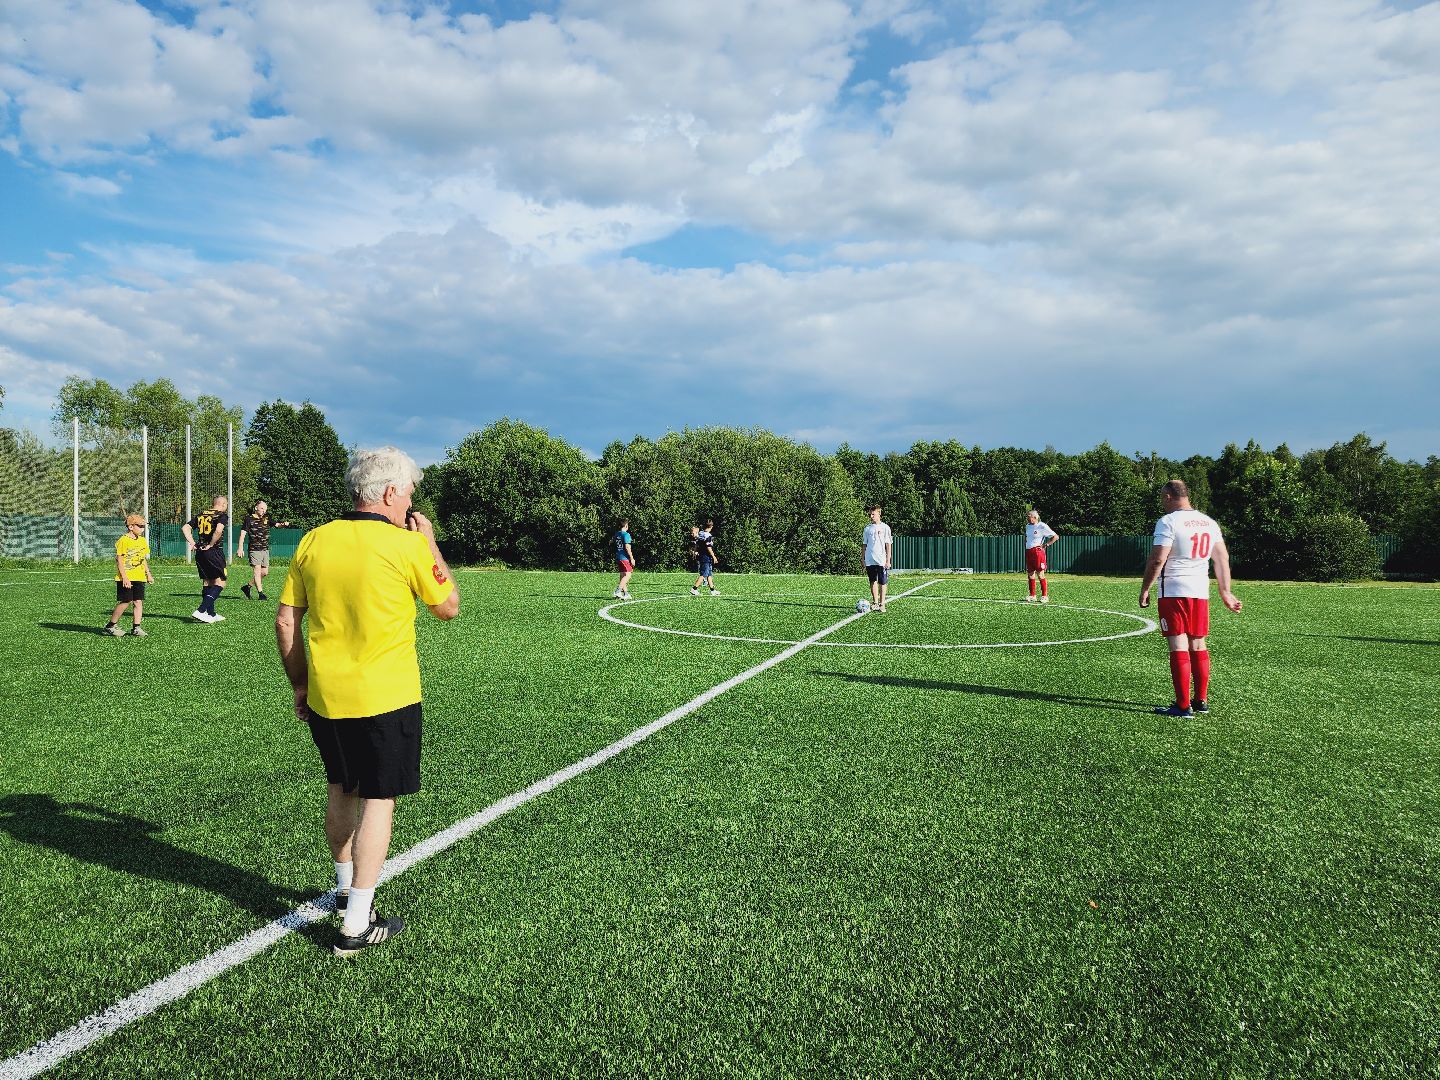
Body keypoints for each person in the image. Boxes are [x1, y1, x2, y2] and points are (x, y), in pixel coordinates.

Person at [275, 446, 458, 957]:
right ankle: (356, 922)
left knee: (341, 787)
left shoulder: (314, 540)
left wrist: (300, 685)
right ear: (390, 492)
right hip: (387, 695)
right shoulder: (407, 545)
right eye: (409, 494)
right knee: (378, 799)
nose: (410, 505)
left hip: (328, 694)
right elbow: (448, 606)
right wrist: (430, 542)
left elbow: (286, 621)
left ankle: (342, 892)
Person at [1139, 479, 1242, 718]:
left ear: (1168, 497)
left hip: (1174, 590)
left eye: (1162, 498)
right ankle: (1200, 701)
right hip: (1200, 590)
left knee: (1178, 645)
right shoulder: (1209, 522)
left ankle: (1183, 706)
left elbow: (1158, 559)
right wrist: (1225, 591)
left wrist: (1145, 588)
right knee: (1198, 644)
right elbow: (1222, 558)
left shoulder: (1168, 521)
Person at [182, 496, 229, 623]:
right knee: (220, 582)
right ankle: (201, 610)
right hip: (214, 552)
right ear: (223, 504)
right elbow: (218, 531)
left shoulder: (201, 514)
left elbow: (185, 528)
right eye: (226, 504)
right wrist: (211, 544)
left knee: (208, 582)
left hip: (200, 552)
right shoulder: (221, 515)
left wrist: (193, 543)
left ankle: (211, 614)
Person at [105, 513, 153, 637]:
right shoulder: (123, 540)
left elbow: (143, 559)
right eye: (140, 526)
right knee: (126, 601)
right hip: (126, 577)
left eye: (143, 526)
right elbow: (119, 560)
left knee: (138, 601)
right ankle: (110, 626)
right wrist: (125, 578)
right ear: (131, 527)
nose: (142, 529)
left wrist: (148, 573)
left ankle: (136, 628)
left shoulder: (142, 541)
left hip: (139, 576)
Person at [237, 499, 289, 600]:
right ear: (256, 508)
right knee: (257, 571)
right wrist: (240, 548)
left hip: (265, 549)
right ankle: (261, 594)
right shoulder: (249, 519)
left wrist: (283, 524)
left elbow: (277, 525)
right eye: (262, 508)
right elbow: (242, 534)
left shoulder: (266, 518)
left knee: (264, 572)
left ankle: (247, 587)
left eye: (265, 509)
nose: (263, 511)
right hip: (254, 549)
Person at [861, 505, 892, 612]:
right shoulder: (867, 528)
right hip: (870, 559)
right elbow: (864, 544)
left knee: (882, 582)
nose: (871, 516)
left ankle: (882, 604)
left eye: (873, 514)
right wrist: (862, 558)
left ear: (879, 514)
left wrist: (888, 560)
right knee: (872, 580)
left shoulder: (885, 527)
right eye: (870, 514)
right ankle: (875, 603)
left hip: (881, 560)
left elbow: (888, 544)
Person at [1024, 509, 1059, 603]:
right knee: (1030, 573)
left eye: (1029, 516)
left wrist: (1046, 545)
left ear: (1035, 517)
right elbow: (1027, 537)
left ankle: (1044, 596)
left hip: (1037, 552)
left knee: (1040, 573)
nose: (1027, 518)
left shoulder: (1042, 526)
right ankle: (1032, 595)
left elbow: (1055, 537)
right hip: (1029, 552)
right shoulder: (1027, 526)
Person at [691, 519, 719, 596]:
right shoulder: (708, 535)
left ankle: (712, 590)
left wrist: (695, 552)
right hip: (706, 557)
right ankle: (694, 589)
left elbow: (696, 544)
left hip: (703, 556)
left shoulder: (700, 533)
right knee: (703, 574)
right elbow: (709, 547)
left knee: (709, 574)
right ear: (711, 526)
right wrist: (714, 556)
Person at [613, 519, 635, 600]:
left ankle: (626, 593)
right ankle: (618, 591)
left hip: (618, 556)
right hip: (624, 558)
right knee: (628, 575)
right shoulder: (626, 534)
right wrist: (632, 558)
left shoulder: (617, 534)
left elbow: (611, 542)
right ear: (626, 525)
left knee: (622, 575)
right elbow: (627, 547)